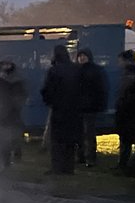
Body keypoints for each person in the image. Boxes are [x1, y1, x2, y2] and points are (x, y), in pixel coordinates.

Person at [40, 45, 83, 175]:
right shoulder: (76, 69)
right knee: (70, 140)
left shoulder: (54, 70)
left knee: (57, 140)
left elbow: (47, 89)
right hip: (74, 109)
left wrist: (49, 101)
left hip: (59, 109)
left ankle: (57, 168)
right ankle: (69, 168)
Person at [113, 50, 135, 172]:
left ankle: (127, 165)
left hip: (129, 111)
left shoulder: (130, 73)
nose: (118, 63)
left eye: (120, 60)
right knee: (134, 139)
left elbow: (125, 93)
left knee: (126, 139)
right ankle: (132, 165)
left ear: (125, 60)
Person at [75, 48, 108, 167]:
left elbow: (101, 90)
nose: (81, 58)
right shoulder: (77, 70)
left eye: (84, 56)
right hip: (79, 107)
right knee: (80, 134)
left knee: (88, 134)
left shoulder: (94, 71)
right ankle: (81, 156)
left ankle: (90, 158)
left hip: (90, 107)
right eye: (80, 56)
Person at [0, 60, 27, 168]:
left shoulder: (2, 81)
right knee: (8, 137)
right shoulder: (14, 80)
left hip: (9, 113)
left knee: (11, 137)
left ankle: (12, 158)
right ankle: (8, 159)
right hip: (8, 113)